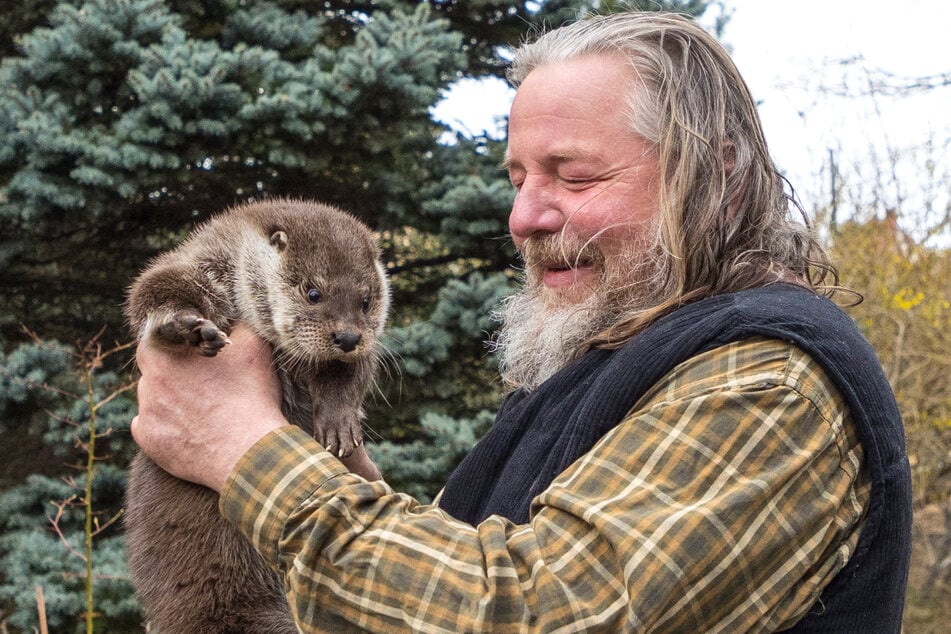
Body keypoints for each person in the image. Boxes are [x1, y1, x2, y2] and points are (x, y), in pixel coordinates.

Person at [131, 11, 912, 633]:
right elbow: (441, 582)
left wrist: (241, 449)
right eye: (517, 177)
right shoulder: (618, 360)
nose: (524, 216)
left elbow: (535, 613)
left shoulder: (768, 378)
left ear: (719, 177)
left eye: (572, 176)